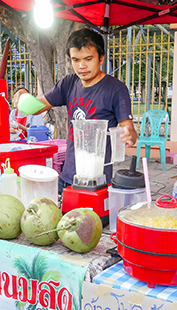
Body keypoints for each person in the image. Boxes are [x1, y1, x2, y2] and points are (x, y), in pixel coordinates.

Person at [35, 28, 138, 192]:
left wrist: (128, 134)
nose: (81, 66)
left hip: (97, 181)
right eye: (76, 60)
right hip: (68, 177)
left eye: (88, 59)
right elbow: (36, 107)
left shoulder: (116, 89)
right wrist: (21, 93)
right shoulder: (68, 83)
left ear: (101, 58)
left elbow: (129, 129)